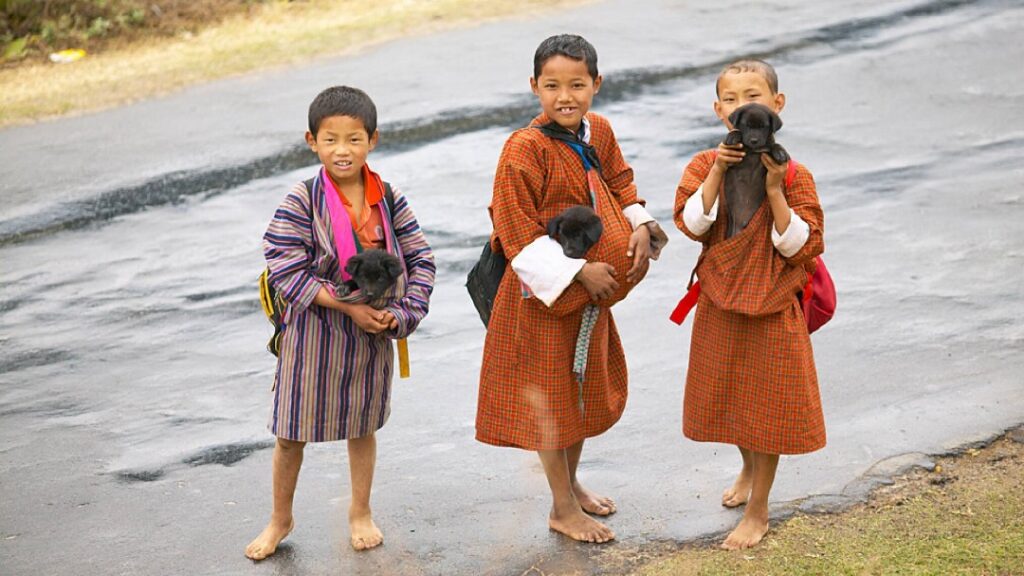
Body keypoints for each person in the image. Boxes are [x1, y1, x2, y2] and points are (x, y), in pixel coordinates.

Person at [476, 34, 668, 544]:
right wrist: (580, 272)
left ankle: (572, 483)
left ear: (596, 85)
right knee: (553, 402)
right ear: (534, 87)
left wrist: (642, 227)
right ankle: (561, 508)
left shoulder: (598, 131)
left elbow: (622, 185)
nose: (566, 96)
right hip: (540, 302)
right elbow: (515, 227)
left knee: (578, 395)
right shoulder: (524, 148)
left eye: (578, 85)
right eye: (553, 85)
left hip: (593, 299)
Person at [246, 86, 435, 559]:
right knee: (290, 433)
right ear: (312, 141)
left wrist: (399, 314)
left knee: (362, 427)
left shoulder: (388, 198)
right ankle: (279, 518)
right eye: (331, 140)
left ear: (373, 139)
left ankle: (360, 511)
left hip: (373, 336)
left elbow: (421, 259)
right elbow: (285, 266)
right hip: (312, 335)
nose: (342, 150)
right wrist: (348, 306)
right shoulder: (301, 199)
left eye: (354, 139)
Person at [673, 59, 825, 550]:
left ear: (776, 106)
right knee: (736, 397)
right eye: (732, 99)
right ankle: (746, 467)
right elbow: (692, 225)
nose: (743, 107)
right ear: (719, 111)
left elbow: (800, 246)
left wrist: (776, 189)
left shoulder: (794, 173)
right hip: (721, 298)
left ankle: (759, 509)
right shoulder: (702, 164)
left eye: (754, 96)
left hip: (773, 303)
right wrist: (718, 170)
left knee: (770, 406)